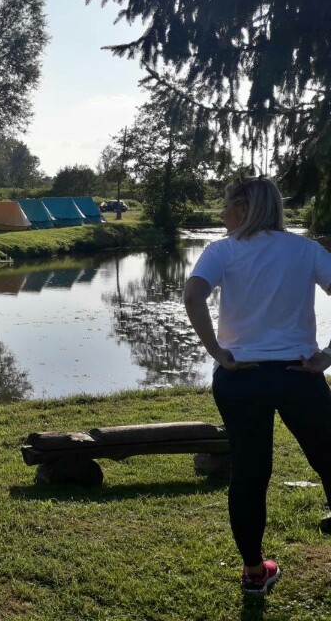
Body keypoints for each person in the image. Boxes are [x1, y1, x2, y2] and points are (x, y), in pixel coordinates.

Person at [183, 176, 331, 596]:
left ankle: (254, 573)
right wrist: (327, 355)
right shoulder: (306, 250)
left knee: (250, 472)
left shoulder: (221, 251)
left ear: (245, 209)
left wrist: (216, 351)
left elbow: (193, 296)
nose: (221, 214)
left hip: (240, 378)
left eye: (226, 205)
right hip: (298, 376)